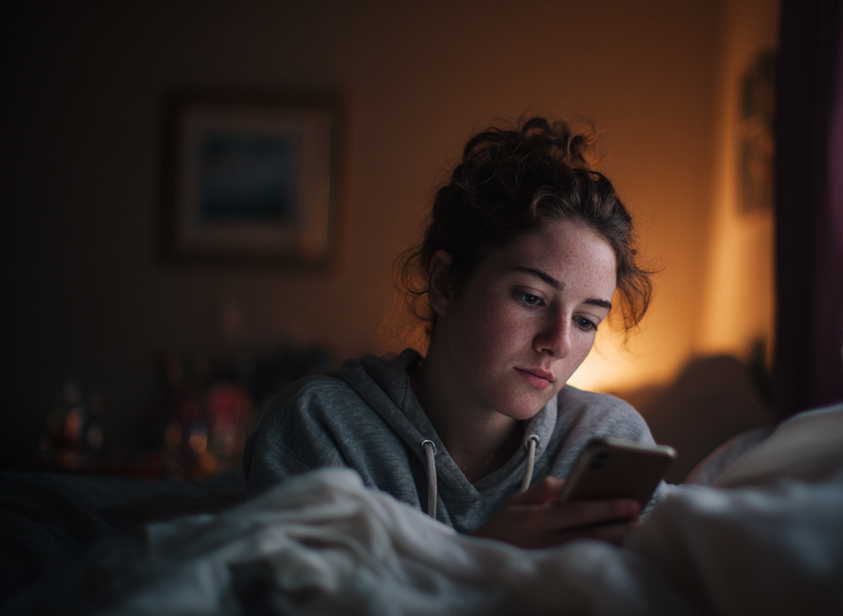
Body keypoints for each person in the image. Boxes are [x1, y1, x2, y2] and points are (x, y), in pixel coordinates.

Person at [243, 117, 665, 549]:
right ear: (445, 284)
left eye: (585, 321)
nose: (558, 343)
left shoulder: (607, 441)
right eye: (531, 298)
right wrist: (485, 558)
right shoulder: (323, 425)